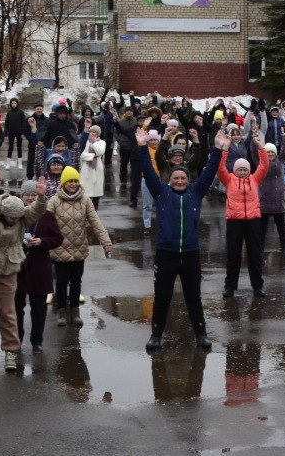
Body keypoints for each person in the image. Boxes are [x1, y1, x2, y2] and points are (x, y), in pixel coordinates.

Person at [135, 127, 224, 351]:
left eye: (183, 177)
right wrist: (142, 147)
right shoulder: (161, 192)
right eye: (176, 177)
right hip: (166, 253)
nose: (180, 180)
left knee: (193, 298)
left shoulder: (196, 191)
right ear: (171, 179)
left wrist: (218, 149)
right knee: (162, 297)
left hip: (191, 254)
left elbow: (209, 170)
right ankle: (156, 335)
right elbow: (148, 168)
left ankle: (201, 334)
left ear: (188, 179)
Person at [0, 165, 48, 371]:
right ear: (3, 213)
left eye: (18, 218)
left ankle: (11, 351)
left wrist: (41, 197)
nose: (15, 221)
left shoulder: (21, 216)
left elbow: (37, 211)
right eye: (11, 218)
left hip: (8, 268)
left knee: (8, 312)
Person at [47, 165, 113, 326]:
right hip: (60, 249)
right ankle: (62, 311)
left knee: (76, 282)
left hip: (79, 248)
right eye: (70, 181)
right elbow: (46, 223)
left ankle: (75, 311)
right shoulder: (54, 201)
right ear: (63, 183)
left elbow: (95, 222)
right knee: (61, 282)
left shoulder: (85, 200)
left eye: (76, 181)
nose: (73, 184)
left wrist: (105, 241)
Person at [218, 132, 270, 298]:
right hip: (234, 222)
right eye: (239, 169)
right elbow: (220, 168)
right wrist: (225, 149)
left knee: (255, 255)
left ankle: (258, 287)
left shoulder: (255, 179)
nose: (241, 171)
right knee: (233, 256)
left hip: (253, 221)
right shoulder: (228, 180)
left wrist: (261, 147)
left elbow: (264, 166)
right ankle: (230, 287)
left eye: (244, 169)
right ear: (234, 170)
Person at [15, 180, 62, 354]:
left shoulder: (47, 215)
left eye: (33, 195)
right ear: (22, 197)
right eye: (26, 195)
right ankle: (16, 340)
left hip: (39, 267)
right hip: (18, 268)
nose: (29, 198)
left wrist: (42, 241)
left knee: (39, 308)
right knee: (16, 307)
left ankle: (37, 341)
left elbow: (58, 239)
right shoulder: (15, 213)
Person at [257, 142, 285, 253]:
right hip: (264, 199)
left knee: (281, 226)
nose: (270, 154)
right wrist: (255, 141)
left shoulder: (280, 162)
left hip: (278, 199)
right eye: (268, 151)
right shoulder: (260, 163)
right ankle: (260, 246)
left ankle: (284, 245)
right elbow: (252, 151)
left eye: (272, 152)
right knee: (262, 228)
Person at [79, 125, 108, 209]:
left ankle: (94, 213)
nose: (92, 133)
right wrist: (92, 156)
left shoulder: (101, 142)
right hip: (86, 169)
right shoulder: (85, 142)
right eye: (91, 131)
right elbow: (82, 154)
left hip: (97, 169)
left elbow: (100, 151)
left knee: (96, 194)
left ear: (98, 133)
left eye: (94, 132)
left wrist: (94, 142)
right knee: (85, 193)